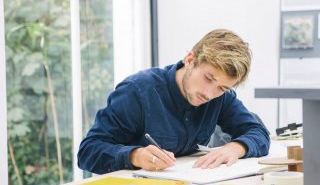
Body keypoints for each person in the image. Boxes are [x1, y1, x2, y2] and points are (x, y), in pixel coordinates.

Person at [78, 29, 270, 174]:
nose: (209, 93)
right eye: (208, 78)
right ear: (189, 60)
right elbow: (88, 151)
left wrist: (235, 148)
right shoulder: (137, 91)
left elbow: (258, 132)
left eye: (222, 87)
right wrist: (135, 156)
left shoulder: (221, 97)